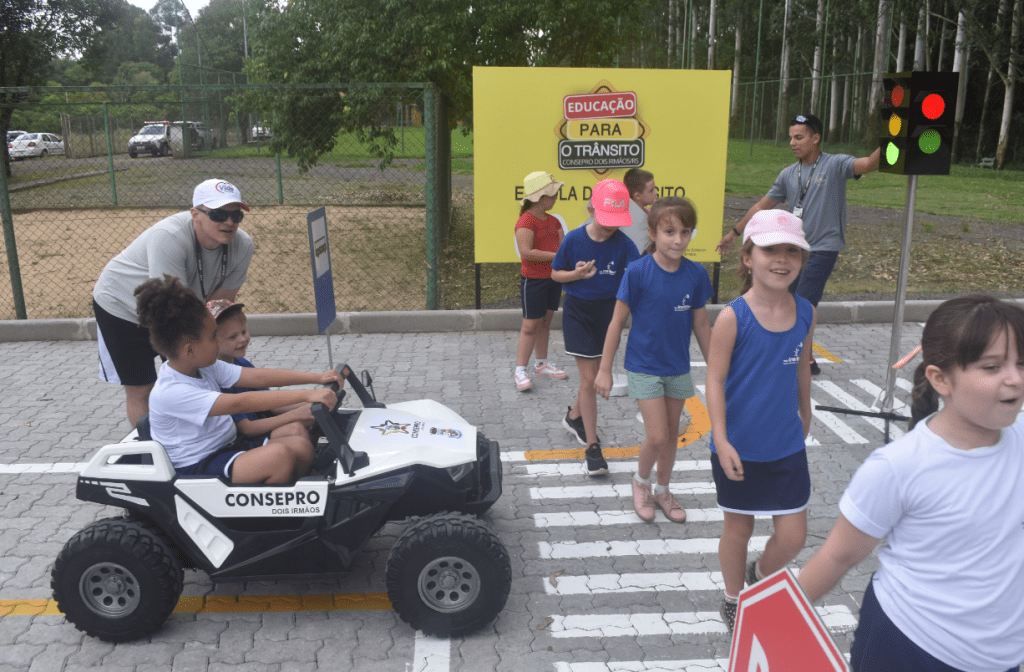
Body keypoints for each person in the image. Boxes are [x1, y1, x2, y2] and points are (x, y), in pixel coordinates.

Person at [798, 295, 1024, 672]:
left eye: (1021, 363)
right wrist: (766, 624)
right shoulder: (898, 466)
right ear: (940, 378)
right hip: (906, 646)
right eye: (992, 366)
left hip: (999, 657)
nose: (1014, 378)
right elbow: (837, 555)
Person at [705, 209, 816, 632]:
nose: (782, 259)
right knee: (739, 527)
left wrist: (807, 410)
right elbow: (714, 380)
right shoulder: (733, 317)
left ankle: (760, 576)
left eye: (792, 251)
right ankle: (734, 599)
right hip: (739, 446)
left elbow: (802, 366)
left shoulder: (805, 310)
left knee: (794, 536)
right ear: (749, 257)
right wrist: (721, 437)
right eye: (771, 249)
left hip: (786, 443)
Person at [714, 113, 880, 375]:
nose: (792, 142)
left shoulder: (835, 165)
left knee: (804, 302)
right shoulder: (788, 174)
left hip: (823, 248)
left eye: (799, 137)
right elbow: (761, 206)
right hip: (795, 249)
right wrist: (734, 233)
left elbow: (869, 164)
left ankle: (805, 359)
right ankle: (794, 355)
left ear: (815, 138)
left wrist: (895, 136)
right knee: (785, 299)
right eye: (790, 137)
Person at [134, 276, 341, 484]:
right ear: (189, 350)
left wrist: (316, 378)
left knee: (299, 441)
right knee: (279, 456)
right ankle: (270, 516)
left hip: (228, 445)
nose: (218, 341)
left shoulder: (204, 367)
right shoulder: (171, 392)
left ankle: (302, 502)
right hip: (199, 465)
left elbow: (257, 376)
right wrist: (308, 394)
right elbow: (239, 402)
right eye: (214, 336)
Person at [93, 179, 255, 427]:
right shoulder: (168, 237)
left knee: (197, 373)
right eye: (219, 214)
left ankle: (197, 441)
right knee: (143, 388)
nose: (229, 222)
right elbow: (172, 310)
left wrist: (219, 350)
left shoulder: (243, 245)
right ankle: (153, 452)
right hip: (122, 307)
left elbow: (218, 307)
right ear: (195, 214)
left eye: (236, 215)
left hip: (175, 309)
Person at [595, 197, 712, 523]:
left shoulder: (696, 274)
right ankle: (641, 482)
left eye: (685, 232)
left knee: (673, 434)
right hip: (644, 366)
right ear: (652, 232)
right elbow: (616, 323)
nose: (678, 240)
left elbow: (702, 325)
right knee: (658, 435)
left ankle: (663, 489)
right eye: (669, 231)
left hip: (677, 367)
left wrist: (718, 369)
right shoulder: (637, 271)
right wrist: (605, 370)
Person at [551, 179, 640, 476]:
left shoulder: (626, 246)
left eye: (617, 222)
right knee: (589, 379)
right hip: (578, 312)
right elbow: (555, 275)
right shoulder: (574, 240)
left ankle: (574, 416)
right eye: (606, 220)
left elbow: (635, 285)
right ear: (591, 209)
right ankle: (592, 447)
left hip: (610, 316)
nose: (611, 227)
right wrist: (574, 275)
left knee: (588, 380)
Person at [207, 300, 317, 450]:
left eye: (244, 332)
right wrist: (297, 414)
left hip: (259, 426)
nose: (242, 339)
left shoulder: (241, 363)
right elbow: (247, 429)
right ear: (213, 342)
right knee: (295, 428)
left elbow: (271, 404)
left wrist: (310, 404)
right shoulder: (218, 380)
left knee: (312, 414)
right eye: (233, 337)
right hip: (239, 442)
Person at [513, 171, 568, 392]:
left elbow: (563, 246)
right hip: (533, 281)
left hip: (552, 279)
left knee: (545, 322)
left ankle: (541, 364)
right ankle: (520, 370)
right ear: (539, 197)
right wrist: (558, 257)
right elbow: (526, 252)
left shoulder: (554, 221)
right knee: (530, 326)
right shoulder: (525, 221)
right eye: (551, 195)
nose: (555, 199)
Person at [622, 168, 657, 253]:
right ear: (637, 196)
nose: (656, 193)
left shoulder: (644, 213)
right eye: (651, 190)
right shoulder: (636, 221)